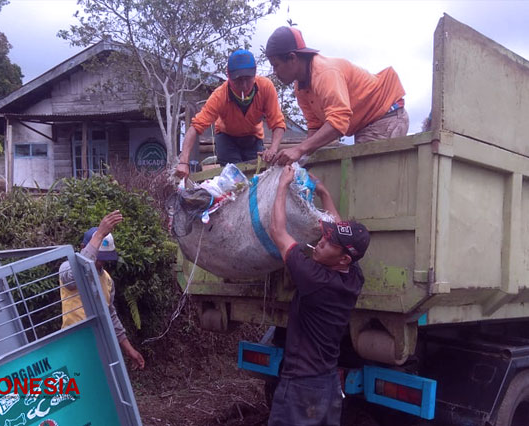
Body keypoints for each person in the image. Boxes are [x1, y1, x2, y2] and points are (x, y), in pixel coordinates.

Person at [267, 166, 370, 426]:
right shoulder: (353, 277)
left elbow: (278, 232)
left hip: (302, 387)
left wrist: (281, 185)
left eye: (328, 244)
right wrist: (324, 193)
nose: (321, 243)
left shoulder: (315, 279)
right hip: (327, 385)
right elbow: (336, 226)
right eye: (324, 238)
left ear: (343, 258)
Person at [265, 26, 408, 166]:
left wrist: (299, 149)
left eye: (276, 65)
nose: (275, 72)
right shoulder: (301, 87)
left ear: (292, 58)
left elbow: (339, 122)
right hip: (366, 125)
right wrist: (299, 158)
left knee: (370, 180)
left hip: (385, 115)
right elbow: (315, 126)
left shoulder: (325, 73)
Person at [174, 49, 286, 179]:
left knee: (256, 177)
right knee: (234, 179)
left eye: (248, 79)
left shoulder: (266, 87)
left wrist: (273, 149)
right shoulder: (220, 96)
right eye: (238, 80)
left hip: (253, 137)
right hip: (227, 137)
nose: (244, 85)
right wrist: (183, 162)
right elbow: (195, 128)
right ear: (229, 76)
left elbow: (278, 123)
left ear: (255, 74)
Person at [58, 210, 146, 370]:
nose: (101, 264)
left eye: (105, 259)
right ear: (84, 247)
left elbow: (110, 315)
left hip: (98, 347)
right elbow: (73, 277)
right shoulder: (68, 268)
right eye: (99, 258)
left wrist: (129, 349)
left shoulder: (107, 280)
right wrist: (98, 236)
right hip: (73, 345)